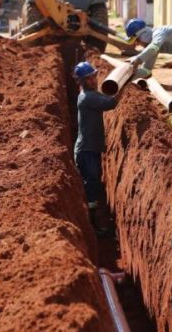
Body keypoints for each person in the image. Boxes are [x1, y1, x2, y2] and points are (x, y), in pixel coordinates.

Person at [73, 61, 120, 236]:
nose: (95, 79)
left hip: (89, 149)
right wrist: (125, 89)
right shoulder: (88, 97)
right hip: (86, 151)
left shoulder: (88, 94)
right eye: (90, 78)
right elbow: (111, 104)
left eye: (94, 76)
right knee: (91, 187)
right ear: (83, 81)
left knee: (93, 185)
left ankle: (93, 223)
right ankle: (92, 228)